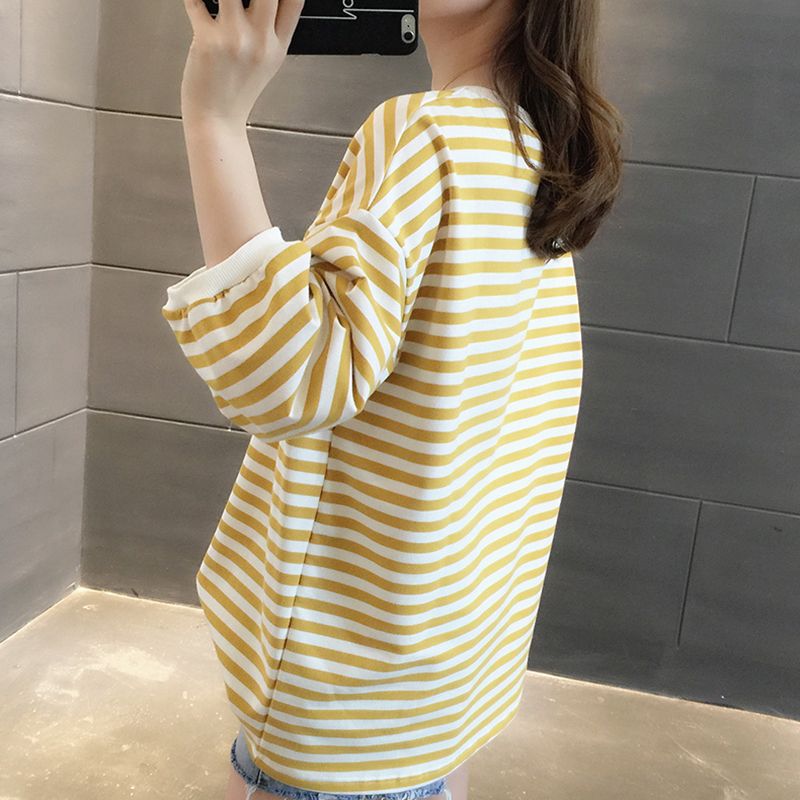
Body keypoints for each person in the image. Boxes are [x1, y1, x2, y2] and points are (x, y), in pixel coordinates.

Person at [162, 0, 624, 798]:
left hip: (345, 676)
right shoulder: (536, 150)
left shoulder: (427, 136)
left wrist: (214, 120)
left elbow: (288, 378)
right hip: (443, 675)